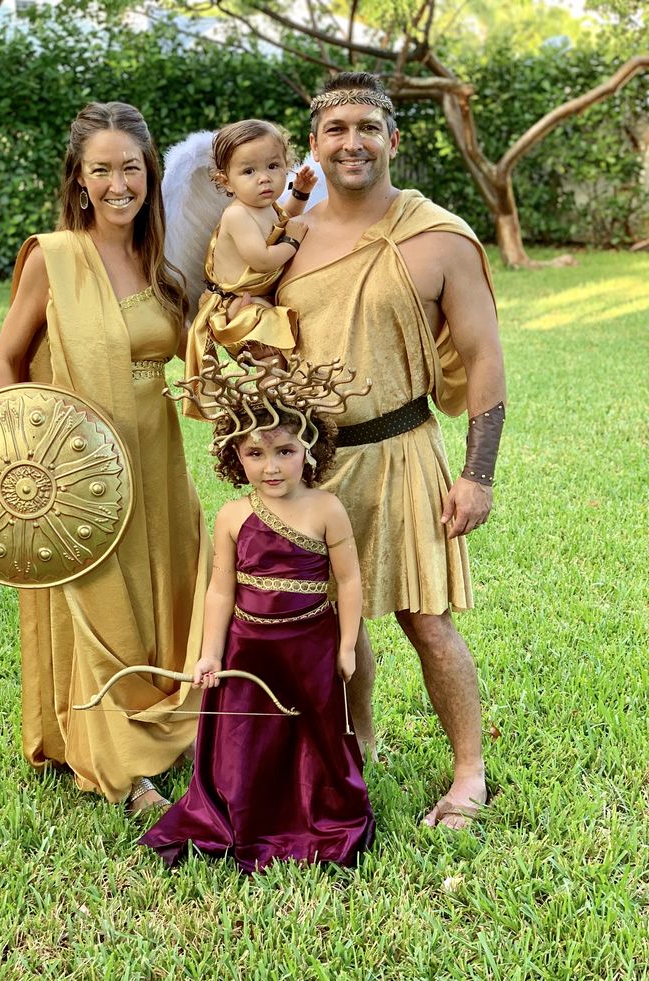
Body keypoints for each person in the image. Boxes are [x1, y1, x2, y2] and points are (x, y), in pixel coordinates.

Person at [272, 72, 507, 830]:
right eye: (336, 128)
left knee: (424, 618)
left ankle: (468, 771)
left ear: (393, 141)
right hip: (313, 463)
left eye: (368, 127)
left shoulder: (437, 237)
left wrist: (477, 475)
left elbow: (484, 361)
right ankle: (358, 738)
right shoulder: (289, 237)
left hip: (405, 451)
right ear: (314, 144)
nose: (352, 142)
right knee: (331, 616)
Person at [0, 102, 211, 813]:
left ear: (150, 173)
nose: (120, 184)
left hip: (156, 456)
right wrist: (30, 454)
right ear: (79, 180)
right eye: (102, 171)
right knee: (100, 599)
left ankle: (168, 729)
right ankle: (122, 766)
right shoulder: (53, 258)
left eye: (132, 169)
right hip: (76, 466)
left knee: (170, 586)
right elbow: (6, 359)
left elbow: (194, 354)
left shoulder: (160, 256)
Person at [140, 354, 375, 872]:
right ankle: (244, 812)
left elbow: (350, 580)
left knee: (312, 732)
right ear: (234, 457)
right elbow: (220, 590)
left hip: (309, 644)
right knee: (247, 737)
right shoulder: (232, 515)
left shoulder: (326, 509)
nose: (271, 467)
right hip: (247, 649)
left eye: (286, 451)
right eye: (255, 453)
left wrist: (344, 646)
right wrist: (209, 654)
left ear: (310, 450)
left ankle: (318, 812)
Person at [183, 119, 317, 407]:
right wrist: (292, 243)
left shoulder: (264, 206)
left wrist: (300, 194)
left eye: (273, 166)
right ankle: (270, 403)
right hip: (237, 305)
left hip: (252, 298)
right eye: (249, 171)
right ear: (226, 181)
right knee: (270, 347)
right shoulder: (238, 215)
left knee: (280, 350)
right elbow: (263, 259)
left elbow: (283, 221)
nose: (264, 178)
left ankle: (283, 397)